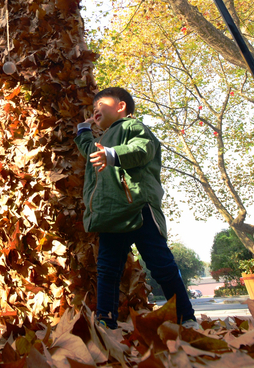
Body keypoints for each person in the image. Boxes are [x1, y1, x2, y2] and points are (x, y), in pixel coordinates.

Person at [74, 87, 197, 330]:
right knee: (107, 269)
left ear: (121, 107)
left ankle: (186, 317)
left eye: (102, 103)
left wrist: (113, 154)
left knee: (161, 265)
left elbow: (143, 148)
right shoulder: (100, 140)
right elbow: (90, 152)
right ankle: (105, 320)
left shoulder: (132, 127)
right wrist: (84, 130)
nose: (96, 107)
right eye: (93, 106)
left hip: (138, 208)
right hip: (110, 215)